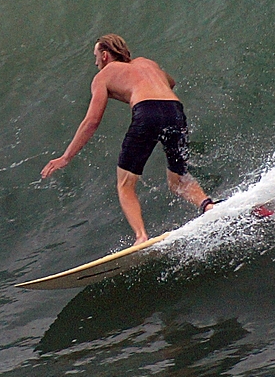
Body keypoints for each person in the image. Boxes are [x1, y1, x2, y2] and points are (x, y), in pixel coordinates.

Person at [40, 33, 215, 244]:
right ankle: (208, 206)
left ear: (105, 55)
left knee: (125, 184)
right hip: (174, 110)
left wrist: (66, 157)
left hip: (147, 112)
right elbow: (171, 82)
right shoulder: (147, 63)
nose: (95, 62)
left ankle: (141, 236)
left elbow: (91, 121)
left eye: (96, 56)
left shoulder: (103, 76)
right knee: (177, 180)